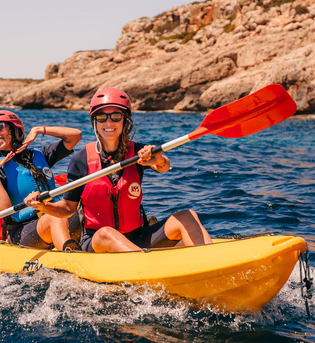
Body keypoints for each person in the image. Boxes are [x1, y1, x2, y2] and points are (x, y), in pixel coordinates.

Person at [24, 88, 212, 253]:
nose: (109, 122)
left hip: (136, 236)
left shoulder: (139, 151)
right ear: (94, 122)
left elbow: (164, 166)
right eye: (101, 117)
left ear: (125, 120)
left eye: (115, 116)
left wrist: (156, 157)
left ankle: (211, 265)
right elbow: (67, 209)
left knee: (188, 216)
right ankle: (148, 269)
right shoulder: (81, 159)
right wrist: (43, 206)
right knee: (107, 233)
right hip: (97, 242)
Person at [0, 110, 82, 251]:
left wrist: (39, 129)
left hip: (56, 215)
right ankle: (70, 257)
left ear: (16, 130)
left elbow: (75, 136)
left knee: (84, 205)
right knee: (53, 217)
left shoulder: (41, 154)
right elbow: (3, 210)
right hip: (22, 231)